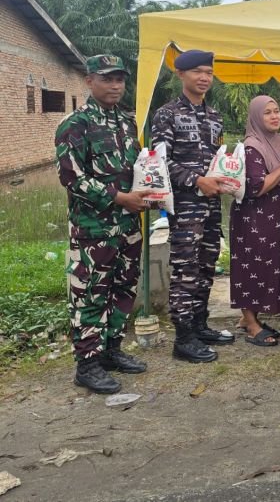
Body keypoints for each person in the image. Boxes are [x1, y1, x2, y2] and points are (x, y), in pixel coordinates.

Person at [55, 54, 149, 393]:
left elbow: (138, 166)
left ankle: (111, 350)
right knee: (91, 293)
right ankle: (87, 364)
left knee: (124, 288)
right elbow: (72, 178)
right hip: (93, 229)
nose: (115, 85)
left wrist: (151, 185)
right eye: (108, 78)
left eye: (120, 79)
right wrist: (119, 197)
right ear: (89, 81)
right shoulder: (75, 124)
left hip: (128, 226)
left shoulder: (126, 123)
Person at [151, 49, 232, 364]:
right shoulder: (167, 114)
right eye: (197, 71)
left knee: (206, 264)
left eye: (209, 73)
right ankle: (183, 338)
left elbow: (217, 159)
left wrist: (225, 176)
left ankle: (199, 325)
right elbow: (160, 162)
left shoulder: (214, 117)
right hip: (185, 206)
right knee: (185, 269)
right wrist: (197, 180)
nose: (204, 78)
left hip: (211, 205)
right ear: (180, 74)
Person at [229, 95, 280, 347]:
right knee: (251, 266)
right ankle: (250, 322)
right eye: (268, 113)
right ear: (257, 117)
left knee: (272, 266)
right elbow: (257, 186)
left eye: (277, 111)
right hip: (254, 217)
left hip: (276, 216)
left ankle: (251, 318)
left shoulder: (279, 142)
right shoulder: (252, 146)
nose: (275, 116)